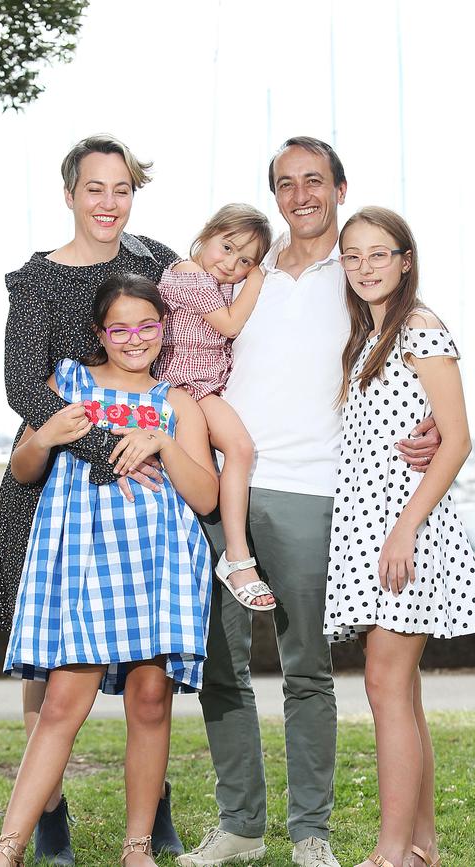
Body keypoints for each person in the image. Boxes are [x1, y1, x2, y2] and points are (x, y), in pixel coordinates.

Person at [178, 138, 442, 867]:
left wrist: (435, 422)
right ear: (275, 195)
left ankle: (309, 832)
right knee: (220, 665)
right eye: (287, 183)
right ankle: (239, 825)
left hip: (314, 491)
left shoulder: (356, 274)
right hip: (222, 486)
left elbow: (415, 337)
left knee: (307, 669)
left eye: (315, 180)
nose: (302, 194)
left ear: (339, 186)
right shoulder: (242, 275)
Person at [0, 275, 218, 867]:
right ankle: (7, 847)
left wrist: (162, 441)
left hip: (157, 561)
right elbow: (26, 468)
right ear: (99, 333)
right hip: (84, 560)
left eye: (147, 326)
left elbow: (207, 497)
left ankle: (137, 847)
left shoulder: (177, 401)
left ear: (164, 327)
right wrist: (50, 434)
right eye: (119, 328)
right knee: (62, 700)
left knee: (150, 697)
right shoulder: (69, 382)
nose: (134, 339)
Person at [0, 135, 185, 861]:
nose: (109, 202)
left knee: (148, 665)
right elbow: (23, 383)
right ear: (70, 192)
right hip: (56, 475)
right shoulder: (39, 279)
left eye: (122, 188)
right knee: (47, 660)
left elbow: (202, 342)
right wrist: (103, 449)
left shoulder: (157, 261)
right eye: (95, 188)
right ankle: (48, 812)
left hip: (147, 481)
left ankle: (155, 805)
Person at [324, 207, 475, 867]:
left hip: (408, 530)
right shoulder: (366, 339)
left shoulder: (420, 328)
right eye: (354, 255)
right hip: (374, 527)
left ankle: (391, 852)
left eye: (379, 253)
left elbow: (457, 440)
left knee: (384, 681)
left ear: (405, 259)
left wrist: (403, 531)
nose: (366, 266)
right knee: (401, 687)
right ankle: (421, 846)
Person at [153, 203, 275, 612]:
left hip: (205, 388)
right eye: (226, 248)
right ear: (207, 235)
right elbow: (229, 325)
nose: (231, 264)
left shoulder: (215, 279)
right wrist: (257, 278)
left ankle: (236, 557)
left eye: (245, 261)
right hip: (179, 386)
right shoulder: (187, 273)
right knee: (202, 480)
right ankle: (226, 558)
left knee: (240, 449)